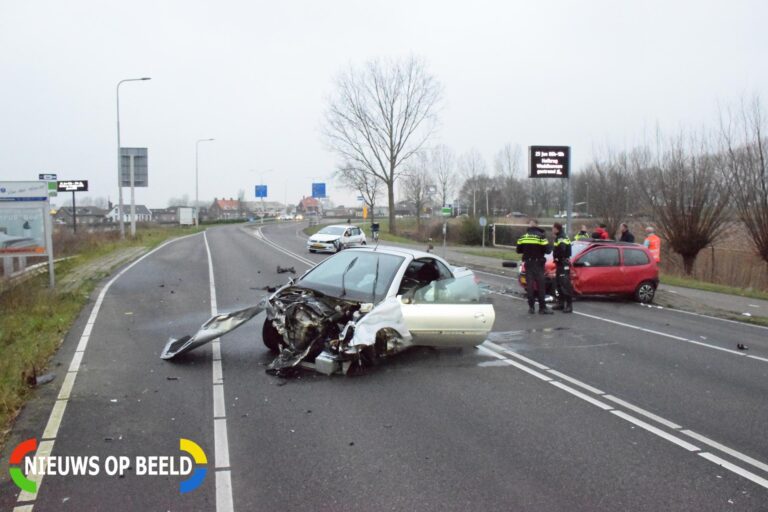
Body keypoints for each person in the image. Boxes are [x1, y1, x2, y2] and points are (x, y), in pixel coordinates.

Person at [516, 219, 553, 314]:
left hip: (528, 264)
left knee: (530, 286)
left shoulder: (523, 237)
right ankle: (542, 308)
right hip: (538, 264)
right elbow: (548, 251)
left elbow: (518, 250)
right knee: (541, 286)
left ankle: (531, 308)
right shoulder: (541, 236)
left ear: (529, 226)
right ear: (537, 225)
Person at [551, 222, 573, 313]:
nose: (552, 230)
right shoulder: (560, 236)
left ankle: (569, 305)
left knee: (565, 285)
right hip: (560, 264)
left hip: (563, 264)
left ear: (557, 229)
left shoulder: (561, 237)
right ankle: (561, 303)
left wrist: (558, 258)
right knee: (559, 284)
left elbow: (562, 250)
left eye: (553, 228)